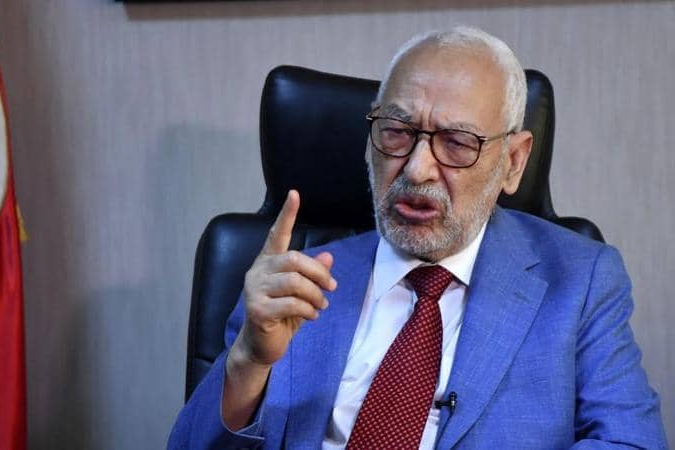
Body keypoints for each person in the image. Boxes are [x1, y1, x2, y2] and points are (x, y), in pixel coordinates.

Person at [168, 26, 667, 449]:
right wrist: (249, 360)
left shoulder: (579, 282)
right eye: (397, 132)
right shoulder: (292, 279)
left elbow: (632, 442)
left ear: (513, 162)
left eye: (457, 143)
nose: (417, 168)